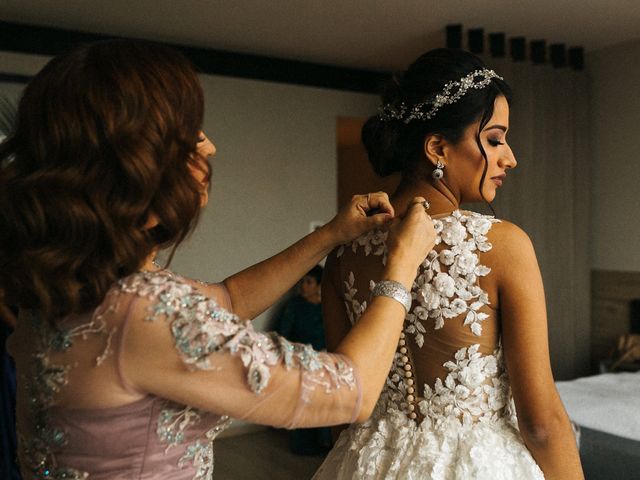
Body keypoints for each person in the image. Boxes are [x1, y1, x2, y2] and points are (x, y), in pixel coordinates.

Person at [0, 40, 437, 479]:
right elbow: (350, 392)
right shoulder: (142, 312)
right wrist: (400, 266)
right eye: (193, 133)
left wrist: (329, 236)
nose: (209, 149)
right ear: (138, 164)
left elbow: (225, 298)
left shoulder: (62, 292)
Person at [313, 48, 584, 480]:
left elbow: (340, 410)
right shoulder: (504, 246)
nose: (510, 157)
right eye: (495, 139)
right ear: (437, 146)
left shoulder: (343, 255)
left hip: (365, 462)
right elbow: (540, 421)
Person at [276, 265, 332, 454]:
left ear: (318, 285)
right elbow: (283, 336)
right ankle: (303, 443)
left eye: (308, 282)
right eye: (302, 281)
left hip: (324, 358)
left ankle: (326, 440)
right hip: (299, 358)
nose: (303, 286)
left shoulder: (327, 307)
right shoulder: (294, 306)